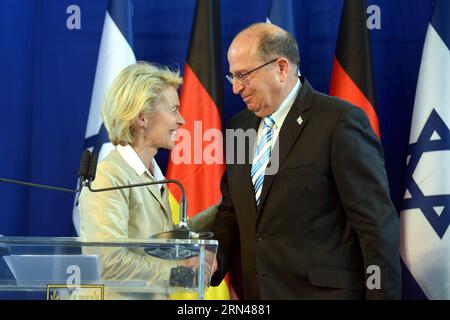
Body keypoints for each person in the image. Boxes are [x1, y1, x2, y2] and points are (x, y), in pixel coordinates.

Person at [211, 23, 401, 299]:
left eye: (244, 75)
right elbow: (231, 210)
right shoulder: (239, 127)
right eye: (232, 77)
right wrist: (216, 257)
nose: (236, 88)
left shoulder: (339, 122)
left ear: (281, 68)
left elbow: (376, 227)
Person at [78, 62, 215, 299]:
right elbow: (109, 263)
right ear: (142, 118)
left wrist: (225, 208)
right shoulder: (108, 176)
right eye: (173, 110)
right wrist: (181, 273)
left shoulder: (152, 173)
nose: (181, 120)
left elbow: (158, 242)